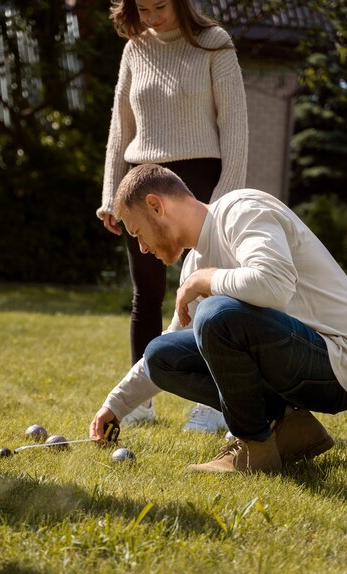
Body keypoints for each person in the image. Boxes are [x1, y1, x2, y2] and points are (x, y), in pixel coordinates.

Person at [90, 164, 347, 474]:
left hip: (336, 359)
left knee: (216, 314)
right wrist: (114, 405)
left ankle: (253, 446)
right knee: (163, 355)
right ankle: (291, 427)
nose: (142, 248)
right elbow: (177, 342)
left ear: (155, 206)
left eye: (137, 233)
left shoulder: (242, 210)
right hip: (298, 364)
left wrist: (205, 279)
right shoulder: (194, 264)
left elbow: (275, 284)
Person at [96, 0, 248, 430]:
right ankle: (139, 402)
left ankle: (216, 402)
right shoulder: (134, 49)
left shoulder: (215, 45)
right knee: (146, 295)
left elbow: (235, 126)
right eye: (141, 8)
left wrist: (226, 199)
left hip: (201, 182)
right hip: (141, 183)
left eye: (159, 5)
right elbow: (119, 128)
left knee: (211, 295)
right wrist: (111, 195)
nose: (151, 16)